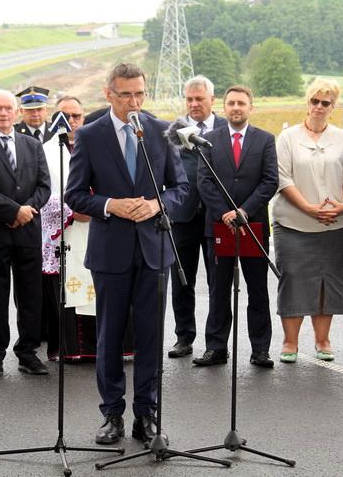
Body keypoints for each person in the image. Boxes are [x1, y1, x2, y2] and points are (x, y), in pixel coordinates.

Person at [65, 63, 188, 445]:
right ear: (109, 94)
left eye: (139, 94)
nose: (134, 102)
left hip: (154, 250)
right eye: (125, 95)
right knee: (110, 336)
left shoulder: (161, 131)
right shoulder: (90, 135)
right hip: (110, 252)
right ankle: (112, 415)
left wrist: (157, 205)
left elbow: (181, 188)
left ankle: (146, 414)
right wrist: (110, 205)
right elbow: (74, 194)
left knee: (150, 337)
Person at [0, 89, 51, 376]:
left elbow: (44, 185)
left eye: (7, 108)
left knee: (31, 296)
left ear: (16, 112)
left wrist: (27, 210)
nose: (3, 113)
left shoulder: (32, 146)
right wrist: (14, 211)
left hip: (29, 231)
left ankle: (28, 352)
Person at [193, 85, 278, 368]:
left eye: (241, 103)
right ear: (224, 107)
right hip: (220, 226)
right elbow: (204, 181)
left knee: (258, 290)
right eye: (231, 103)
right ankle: (216, 347)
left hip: (253, 225)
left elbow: (270, 181)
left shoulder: (265, 140)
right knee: (219, 290)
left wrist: (244, 210)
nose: (236, 108)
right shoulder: (209, 140)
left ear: (251, 107)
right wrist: (225, 213)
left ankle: (260, 350)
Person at [271, 78, 343, 363]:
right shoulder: (288, 137)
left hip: (335, 223)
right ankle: (290, 341)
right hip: (293, 222)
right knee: (293, 279)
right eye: (314, 101)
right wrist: (308, 208)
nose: (319, 106)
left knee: (327, 281)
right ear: (307, 103)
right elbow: (283, 178)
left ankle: (323, 340)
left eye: (325, 102)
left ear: (333, 106)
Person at [167, 75, 226, 359]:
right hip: (183, 216)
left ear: (212, 100)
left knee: (219, 282)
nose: (194, 104)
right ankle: (184, 337)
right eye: (189, 99)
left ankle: (216, 342)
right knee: (182, 281)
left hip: (217, 216)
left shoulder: (225, 129)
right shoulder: (173, 131)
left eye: (199, 99)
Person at [40, 95, 90, 360]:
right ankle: (67, 348)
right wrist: (71, 210)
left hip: (94, 229)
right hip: (64, 232)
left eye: (76, 116)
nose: (71, 121)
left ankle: (98, 348)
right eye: (65, 116)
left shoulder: (94, 145)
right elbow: (40, 192)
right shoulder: (45, 151)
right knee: (64, 289)